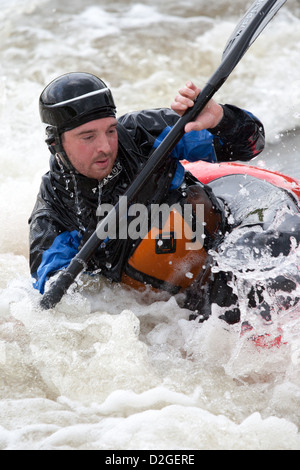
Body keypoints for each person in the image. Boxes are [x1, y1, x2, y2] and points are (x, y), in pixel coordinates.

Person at [29, 72, 266, 319]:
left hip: (226, 251)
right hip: (165, 311)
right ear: (55, 143)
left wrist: (222, 120)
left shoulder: (144, 135)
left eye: (110, 131)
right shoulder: (53, 212)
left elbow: (252, 144)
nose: (106, 147)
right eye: (88, 137)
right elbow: (59, 307)